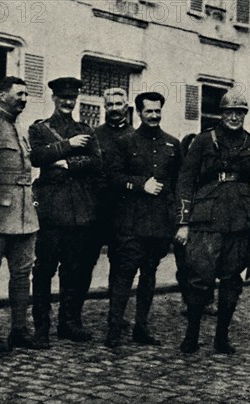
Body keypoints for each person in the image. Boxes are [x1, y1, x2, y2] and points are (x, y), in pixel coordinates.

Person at [175, 90, 250, 354]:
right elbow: (185, 181)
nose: (234, 117)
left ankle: (221, 338)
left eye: (239, 113)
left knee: (232, 281)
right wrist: (184, 222)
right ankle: (191, 335)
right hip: (206, 219)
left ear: (244, 115)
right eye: (229, 112)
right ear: (221, 114)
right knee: (200, 279)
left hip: (241, 221)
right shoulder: (204, 141)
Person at [29, 77, 101, 348]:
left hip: (78, 211)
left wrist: (66, 164)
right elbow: (36, 156)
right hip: (50, 211)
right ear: (54, 98)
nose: (68, 102)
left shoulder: (87, 130)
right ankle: (41, 329)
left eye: (72, 98)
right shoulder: (40, 129)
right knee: (44, 271)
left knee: (73, 270)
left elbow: (97, 162)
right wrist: (69, 145)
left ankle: (68, 324)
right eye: (63, 97)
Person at [105, 92, 181, 348]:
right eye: (149, 111)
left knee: (149, 275)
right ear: (138, 113)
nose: (154, 116)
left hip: (159, 224)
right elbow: (113, 177)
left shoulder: (172, 144)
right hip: (131, 223)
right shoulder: (125, 142)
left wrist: (175, 218)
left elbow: (178, 184)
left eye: (157, 111)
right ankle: (114, 329)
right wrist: (140, 185)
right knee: (124, 274)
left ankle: (141, 327)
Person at [0, 77, 39, 352]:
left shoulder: (20, 126)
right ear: (2, 96)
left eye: (26, 95)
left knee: (22, 274)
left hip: (25, 215)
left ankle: (19, 330)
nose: (24, 99)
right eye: (19, 94)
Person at [88, 87, 135, 316]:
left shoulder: (136, 137)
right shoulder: (94, 135)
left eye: (118, 104)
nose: (114, 109)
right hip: (97, 210)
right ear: (104, 107)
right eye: (110, 105)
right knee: (85, 262)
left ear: (126, 107)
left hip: (124, 211)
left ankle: (116, 316)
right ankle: (73, 318)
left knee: (121, 266)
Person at [174, 133, 217, 318]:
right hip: (181, 224)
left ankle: (207, 301)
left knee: (205, 265)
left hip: (202, 223)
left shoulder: (207, 173)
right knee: (184, 265)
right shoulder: (181, 172)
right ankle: (188, 300)